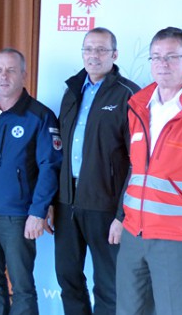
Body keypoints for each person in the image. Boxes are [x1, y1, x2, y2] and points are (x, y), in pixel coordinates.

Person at [0, 48, 62, 315]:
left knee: (22, 287)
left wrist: (37, 212)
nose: (4, 76)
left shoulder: (39, 116)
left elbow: (50, 167)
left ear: (23, 75)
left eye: (11, 70)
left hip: (18, 217)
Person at [116, 27, 182, 315]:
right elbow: (135, 171)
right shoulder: (138, 107)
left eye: (171, 56)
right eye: (156, 57)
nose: (162, 64)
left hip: (179, 238)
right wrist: (122, 218)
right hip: (134, 234)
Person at [50, 27, 139, 315]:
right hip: (67, 203)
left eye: (101, 49)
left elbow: (138, 161)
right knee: (68, 278)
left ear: (114, 54)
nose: (94, 55)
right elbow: (58, 151)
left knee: (108, 284)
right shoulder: (72, 91)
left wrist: (121, 215)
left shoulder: (129, 95)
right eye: (88, 49)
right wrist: (53, 202)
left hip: (105, 206)